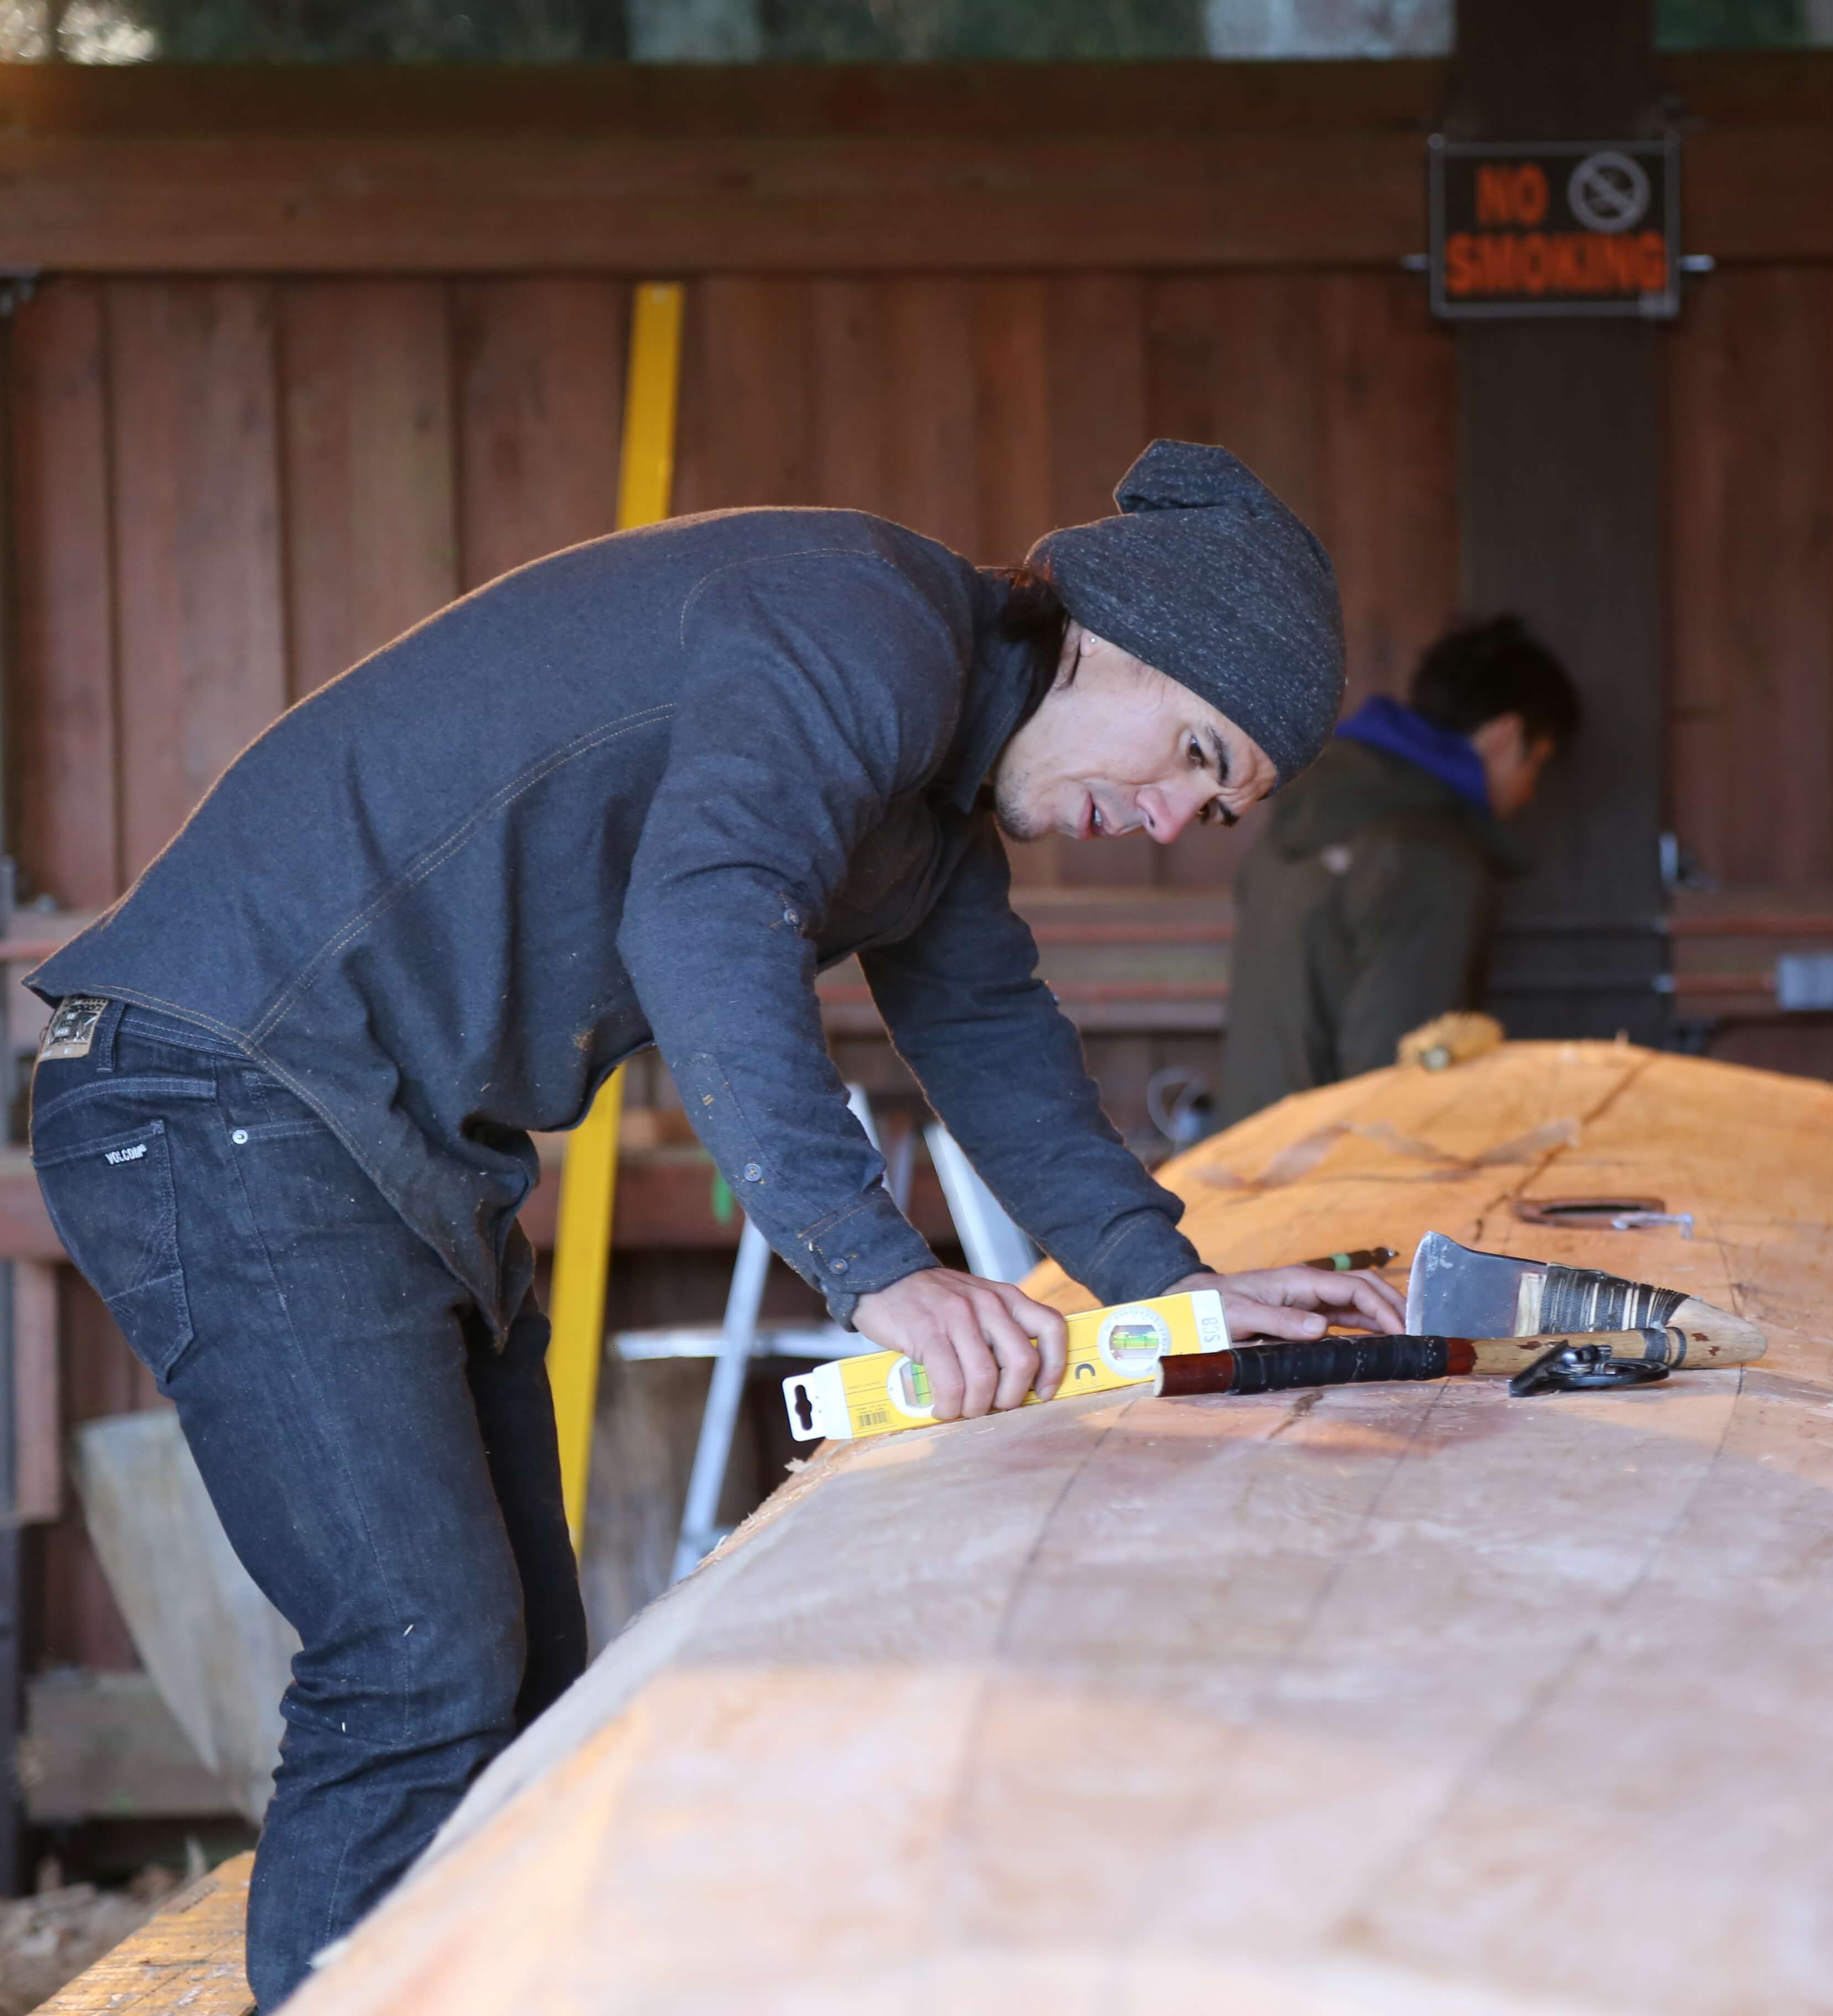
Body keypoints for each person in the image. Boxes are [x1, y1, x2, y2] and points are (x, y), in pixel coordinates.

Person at [24, 440, 1403, 2008]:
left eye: (1213, 811)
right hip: (218, 1090)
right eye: (1194, 756)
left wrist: (1185, 1297)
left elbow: (1002, 1052)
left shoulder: (930, 806)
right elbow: (707, 905)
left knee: (519, 1688)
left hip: (370, 1139)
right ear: (1121, 637)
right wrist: (879, 1268)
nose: (1168, 823)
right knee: (418, 1668)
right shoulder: (862, 626)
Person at [1213, 614, 1578, 1124]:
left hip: (1252, 1160)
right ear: (1504, 735)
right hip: (1335, 1185)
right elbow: (1398, 1084)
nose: (1530, 791)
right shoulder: (1430, 857)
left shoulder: (1305, 814)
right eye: (1535, 761)